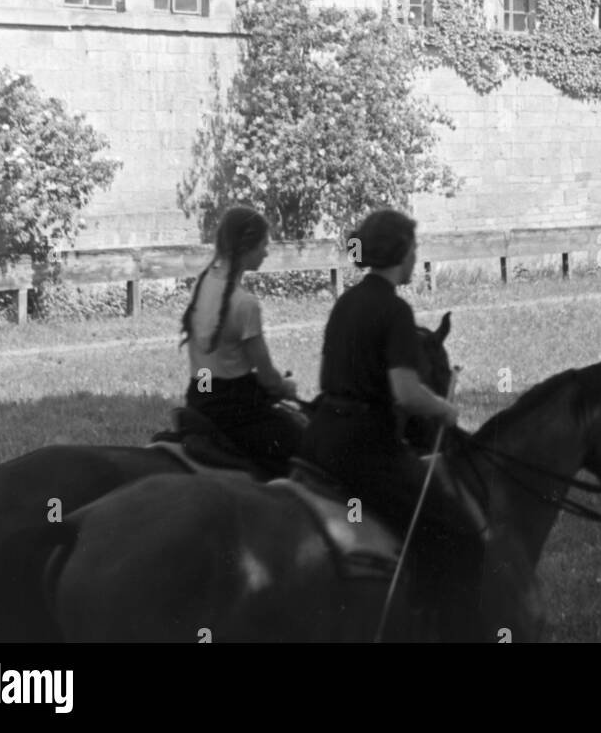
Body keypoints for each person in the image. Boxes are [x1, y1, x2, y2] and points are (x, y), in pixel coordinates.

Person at [296, 207, 488, 642]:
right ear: (400, 252)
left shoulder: (346, 302)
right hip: (365, 449)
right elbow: (404, 392)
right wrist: (444, 409)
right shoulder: (395, 311)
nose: (416, 256)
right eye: (414, 248)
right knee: (461, 535)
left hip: (318, 438)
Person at [180, 205, 306, 477]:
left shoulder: (201, 284)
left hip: (199, 399)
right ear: (247, 247)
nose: (266, 251)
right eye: (263, 244)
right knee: (306, 449)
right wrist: (285, 386)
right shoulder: (245, 304)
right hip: (236, 412)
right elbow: (268, 378)